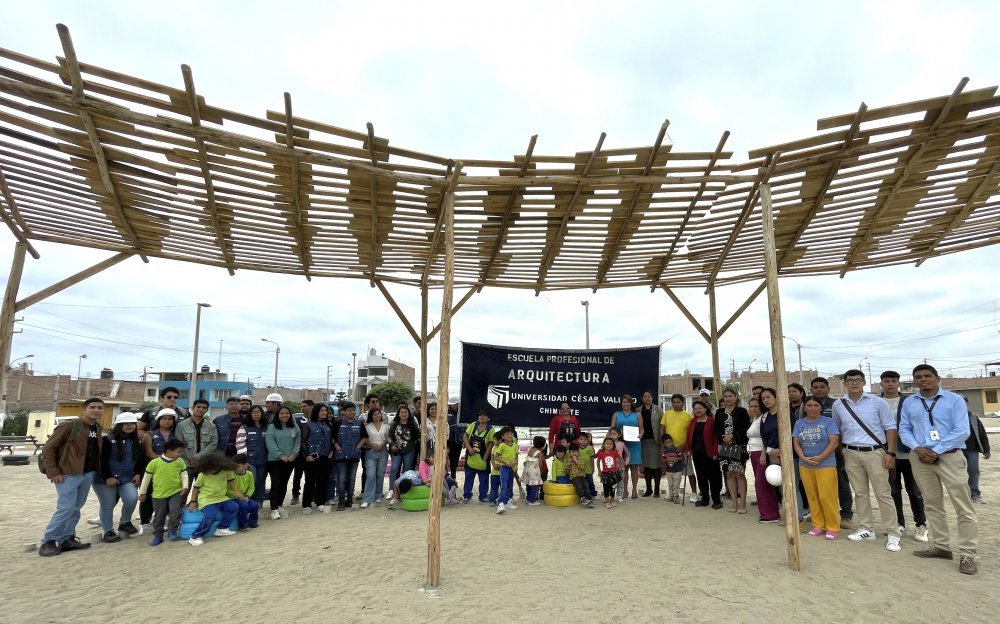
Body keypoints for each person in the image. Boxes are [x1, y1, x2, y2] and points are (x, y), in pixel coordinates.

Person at [900, 364, 979, 574]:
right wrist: (917, 448)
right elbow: (904, 429)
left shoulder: (955, 400)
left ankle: (968, 554)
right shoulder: (909, 402)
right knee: (933, 504)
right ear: (914, 380)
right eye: (918, 377)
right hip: (919, 458)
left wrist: (935, 450)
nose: (923, 380)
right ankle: (942, 546)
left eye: (927, 376)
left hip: (950, 457)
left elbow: (962, 431)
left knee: (963, 506)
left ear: (937, 378)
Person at [831, 369, 900, 552]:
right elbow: (837, 429)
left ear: (864, 382)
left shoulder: (878, 402)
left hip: (875, 452)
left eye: (858, 380)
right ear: (845, 383)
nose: (854, 383)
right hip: (851, 452)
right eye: (850, 380)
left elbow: (890, 427)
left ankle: (893, 533)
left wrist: (891, 453)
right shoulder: (839, 404)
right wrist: (842, 452)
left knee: (883, 493)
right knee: (860, 493)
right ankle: (866, 528)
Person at [38, 397, 105, 557]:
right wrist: (54, 472)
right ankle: (48, 540)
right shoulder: (70, 425)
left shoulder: (97, 427)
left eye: (100, 408)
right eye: (93, 407)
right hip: (68, 473)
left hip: (87, 473)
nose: (96, 410)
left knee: (75, 508)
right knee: (65, 508)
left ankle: (66, 538)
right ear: (84, 409)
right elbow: (49, 448)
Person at [880, 370, 928, 542]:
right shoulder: (876, 402)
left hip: (910, 452)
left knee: (914, 491)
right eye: (887, 381)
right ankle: (899, 524)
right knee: (893, 491)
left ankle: (921, 525)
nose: (890, 384)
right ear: (881, 384)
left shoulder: (910, 401)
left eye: (894, 380)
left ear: (898, 383)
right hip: (887, 453)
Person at [793, 397, 842, 540]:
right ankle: (818, 524)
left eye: (816, 405)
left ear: (820, 408)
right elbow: (796, 442)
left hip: (825, 464)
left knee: (826, 496)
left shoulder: (828, 422)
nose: (812, 408)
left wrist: (820, 457)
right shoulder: (799, 423)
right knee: (812, 496)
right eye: (809, 405)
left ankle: (832, 526)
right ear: (805, 408)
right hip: (805, 464)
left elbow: (833, 443)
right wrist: (802, 457)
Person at [94, 412, 145, 543]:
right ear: (119, 425)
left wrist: (138, 473)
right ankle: (108, 531)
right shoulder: (107, 440)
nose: (129, 426)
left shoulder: (135, 441)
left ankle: (124, 522)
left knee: (131, 498)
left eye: (132, 423)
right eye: (126, 423)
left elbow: (139, 460)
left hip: (127, 478)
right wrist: (108, 477)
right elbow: (101, 460)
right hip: (104, 480)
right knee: (108, 504)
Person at [760, 388, 806, 528]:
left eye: (768, 397)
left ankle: (798, 518)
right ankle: (788, 515)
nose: (766, 400)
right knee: (781, 488)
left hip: (789, 455)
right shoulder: (764, 417)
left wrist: (781, 451)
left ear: (776, 397)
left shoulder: (786, 414)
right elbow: (765, 439)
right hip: (772, 457)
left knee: (792, 487)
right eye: (763, 398)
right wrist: (766, 453)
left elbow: (792, 434)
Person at [811, 376, 854, 527]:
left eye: (822, 387)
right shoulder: (807, 405)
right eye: (815, 387)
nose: (818, 389)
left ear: (828, 389)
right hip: (814, 452)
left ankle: (846, 515)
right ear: (811, 390)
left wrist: (839, 449)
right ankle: (823, 513)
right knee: (820, 485)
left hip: (836, 451)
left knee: (841, 482)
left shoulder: (837, 405)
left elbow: (843, 427)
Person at [138, 438, 189, 546]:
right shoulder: (154, 463)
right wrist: (142, 493)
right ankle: (158, 535)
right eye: (179, 452)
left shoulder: (180, 462)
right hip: (158, 494)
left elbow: (184, 475)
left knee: (175, 511)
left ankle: (172, 531)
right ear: (169, 451)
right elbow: (146, 479)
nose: (181, 454)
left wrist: (185, 486)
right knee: (159, 515)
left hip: (176, 492)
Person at [185, 452, 241, 546]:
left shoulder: (227, 471)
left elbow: (231, 481)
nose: (208, 470)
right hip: (207, 499)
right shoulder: (203, 475)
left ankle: (222, 528)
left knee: (234, 507)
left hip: (222, 497)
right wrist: (193, 501)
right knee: (210, 516)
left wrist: (236, 491)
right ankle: (195, 536)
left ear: (218, 465)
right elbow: (195, 488)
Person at [137, 408, 176, 531]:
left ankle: (160, 520)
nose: (167, 421)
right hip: (153, 470)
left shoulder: (175, 436)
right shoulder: (149, 434)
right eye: (164, 419)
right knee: (148, 496)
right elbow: (149, 453)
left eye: (170, 419)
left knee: (166, 496)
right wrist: (166, 460)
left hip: (170, 471)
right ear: (158, 420)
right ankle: (144, 522)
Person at [715, 389, 750, 514]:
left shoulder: (742, 411)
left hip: (738, 446)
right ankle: (734, 502)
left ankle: (743, 502)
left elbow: (746, 428)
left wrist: (733, 436)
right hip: (724, 446)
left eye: (730, 396)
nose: (728, 398)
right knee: (729, 474)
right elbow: (717, 429)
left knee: (739, 474)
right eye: (725, 396)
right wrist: (723, 437)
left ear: (736, 397)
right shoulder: (719, 412)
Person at [264, 406, 300, 520]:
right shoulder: (272, 427)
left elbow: (297, 442)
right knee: (276, 483)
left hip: (290, 460)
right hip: (274, 460)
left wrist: (294, 455)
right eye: (282, 413)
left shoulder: (293, 427)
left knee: (284, 483)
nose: (284, 415)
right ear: (277, 415)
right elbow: (270, 443)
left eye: (287, 413)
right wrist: (281, 455)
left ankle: (279, 505)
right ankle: (273, 509)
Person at [660, 394, 697, 503]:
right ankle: (672, 493)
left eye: (678, 402)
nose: (676, 404)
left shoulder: (688, 415)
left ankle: (694, 492)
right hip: (669, 450)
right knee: (671, 472)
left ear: (683, 403)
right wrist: (663, 445)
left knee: (689, 471)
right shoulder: (667, 414)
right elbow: (662, 428)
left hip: (683, 449)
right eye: (674, 402)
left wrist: (685, 445)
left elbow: (691, 433)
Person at [332, 400, 368, 510]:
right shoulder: (337, 423)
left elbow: (364, 437)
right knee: (342, 479)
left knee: (352, 478)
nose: (352, 412)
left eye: (353, 410)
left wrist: (358, 448)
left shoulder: (359, 423)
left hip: (354, 455)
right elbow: (332, 438)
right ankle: (341, 502)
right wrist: (338, 448)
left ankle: (350, 500)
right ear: (344, 411)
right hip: (341, 456)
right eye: (349, 410)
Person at [748, 396, 779, 523]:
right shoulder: (755, 419)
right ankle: (768, 511)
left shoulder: (764, 419)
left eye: (756, 406)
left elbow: (764, 438)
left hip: (761, 453)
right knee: (761, 484)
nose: (754, 408)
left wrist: (763, 454)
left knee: (762, 484)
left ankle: (770, 514)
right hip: (753, 452)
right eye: (751, 406)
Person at [175, 398, 218, 487]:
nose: (201, 409)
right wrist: (190, 458)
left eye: (204, 407)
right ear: (192, 408)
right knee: (184, 491)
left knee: (203, 492)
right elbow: (179, 444)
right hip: (186, 464)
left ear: (207, 410)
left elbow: (213, 444)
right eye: (198, 407)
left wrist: (197, 457)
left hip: (204, 464)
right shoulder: (181, 425)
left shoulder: (211, 426)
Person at [687, 400, 722, 509]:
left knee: (713, 478)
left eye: (700, 408)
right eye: (696, 408)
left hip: (710, 454)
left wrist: (716, 452)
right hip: (697, 454)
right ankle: (705, 499)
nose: (698, 410)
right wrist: (688, 449)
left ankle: (717, 501)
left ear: (705, 409)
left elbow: (716, 438)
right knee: (701, 477)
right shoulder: (693, 421)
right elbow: (689, 436)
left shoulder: (712, 420)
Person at [301, 402, 334, 514]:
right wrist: (307, 455)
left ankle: (320, 503)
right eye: (322, 411)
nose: (324, 413)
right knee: (310, 481)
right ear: (316, 412)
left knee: (323, 480)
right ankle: (306, 504)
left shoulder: (328, 425)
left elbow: (331, 440)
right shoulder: (309, 424)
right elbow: (303, 442)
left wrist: (332, 451)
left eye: (326, 411)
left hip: (325, 457)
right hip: (312, 457)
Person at [235, 405, 269, 506]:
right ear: (250, 414)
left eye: (258, 412)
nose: (256, 414)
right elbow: (240, 445)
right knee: (252, 482)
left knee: (261, 482)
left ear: (262, 414)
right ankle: (250, 502)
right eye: (253, 412)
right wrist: (243, 462)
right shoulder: (244, 428)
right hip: (250, 462)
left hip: (263, 460)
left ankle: (259, 502)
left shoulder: (267, 427)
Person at [961, 395, 991, 504]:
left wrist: (986, 450)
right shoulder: (950, 417)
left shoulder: (973, 417)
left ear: (968, 404)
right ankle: (962, 495)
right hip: (955, 450)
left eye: (964, 402)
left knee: (973, 471)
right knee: (958, 473)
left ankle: (975, 494)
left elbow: (982, 433)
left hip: (972, 449)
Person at [611, 394, 641, 499]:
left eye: (628, 402)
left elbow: (642, 429)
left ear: (631, 403)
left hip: (634, 444)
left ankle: (634, 489)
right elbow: (612, 430)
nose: (626, 404)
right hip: (620, 444)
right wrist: (607, 441)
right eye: (624, 402)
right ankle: (625, 491)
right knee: (624, 468)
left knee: (634, 467)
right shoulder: (616, 414)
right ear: (621, 403)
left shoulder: (637, 414)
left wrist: (640, 434)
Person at [462, 409, 494, 503]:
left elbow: (491, 444)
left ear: (488, 418)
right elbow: (465, 436)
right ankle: (467, 496)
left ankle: (483, 496)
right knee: (468, 478)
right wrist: (469, 448)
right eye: (480, 415)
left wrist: (485, 458)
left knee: (483, 480)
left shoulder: (491, 429)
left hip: (482, 461)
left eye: (484, 415)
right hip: (470, 459)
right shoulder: (473, 425)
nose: (481, 417)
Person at [637, 391, 664, 497]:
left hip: (655, 442)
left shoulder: (658, 409)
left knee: (656, 466)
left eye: (649, 396)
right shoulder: (638, 410)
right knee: (646, 466)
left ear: (652, 398)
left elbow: (662, 425)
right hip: (643, 442)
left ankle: (657, 490)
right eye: (645, 397)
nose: (647, 398)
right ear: (642, 399)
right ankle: (649, 490)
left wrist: (663, 441)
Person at [362, 407, 391, 508]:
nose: (377, 416)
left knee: (380, 474)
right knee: (370, 474)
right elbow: (364, 438)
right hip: (371, 451)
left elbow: (388, 438)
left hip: (383, 451)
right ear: (371, 416)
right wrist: (372, 445)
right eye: (375, 414)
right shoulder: (367, 426)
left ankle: (378, 495)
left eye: (379, 414)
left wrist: (382, 445)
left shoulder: (386, 426)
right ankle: (367, 498)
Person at [388, 405, 419, 484]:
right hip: (396, 451)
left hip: (409, 451)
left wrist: (411, 445)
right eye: (402, 412)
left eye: (406, 412)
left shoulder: (413, 424)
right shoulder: (394, 424)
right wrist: (392, 445)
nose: (404, 414)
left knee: (406, 471)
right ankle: (392, 490)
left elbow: (416, 437)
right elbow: (390, 436)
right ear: (398, 414)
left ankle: (403, 491)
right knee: (394, 469)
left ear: (409, 413)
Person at [289, 398, 311, 506]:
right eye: (301, 406)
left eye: (304, 406)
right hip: (299, 451)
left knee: (310, 475)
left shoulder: (316, 418)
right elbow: (292, 432)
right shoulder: (296, 418)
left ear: (311, 407)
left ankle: (311, 495)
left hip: (311, 452)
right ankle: (295, 494)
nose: (302, 408)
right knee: (298, 474)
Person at [493, 427, 518, 514]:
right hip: (504, 468)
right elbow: (496, 456)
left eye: (510, 434)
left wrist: (514, 463)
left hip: (512, 468)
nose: (509, 436)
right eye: (506, 434)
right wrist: (505, 461)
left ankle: (507, 501)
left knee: (510, 485)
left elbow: (516, 458)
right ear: (503, 437)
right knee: (504, 485)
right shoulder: (502, 445)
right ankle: (500, 503)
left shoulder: (515, 445)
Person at [231, 453, 259, 530]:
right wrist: (234, 494)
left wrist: (247, 496)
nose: (236, 468)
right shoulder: (231, 474)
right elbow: (227, 489)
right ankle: (243, 525)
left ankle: (253, 522)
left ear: (245, 465)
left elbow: (251, 487)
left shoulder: (249, 474)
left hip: (244, 496)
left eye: (238, 466)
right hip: (233, 497)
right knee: (243, 506)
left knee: (255, 505)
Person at [596, 437, 623, 509]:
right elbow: (598, 461)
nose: (609, 445)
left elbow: (620, 458)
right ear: (604, 444)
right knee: (606, 488)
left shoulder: (614, 452)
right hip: (605, 473)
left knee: (613, 488)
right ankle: (607, 501)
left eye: (611, 444)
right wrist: (599, 471)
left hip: (614, 473)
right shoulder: (601, 453)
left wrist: (620, 467)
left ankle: (612, 500)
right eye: (607, 443)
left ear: (613, 445)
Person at [565, 444, 594, 508]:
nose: (574, 453)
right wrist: (568, 465)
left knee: (586, 485)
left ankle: (589, 500)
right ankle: (583, 498)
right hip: (574, 477)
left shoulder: (580, 458)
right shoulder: (568, 460)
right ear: (569, 452)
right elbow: (566, 471)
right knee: (579, 486)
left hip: (581, 476)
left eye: (576, 452)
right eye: (572, 452)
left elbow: (582, 467)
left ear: (578, 452)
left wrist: (576, 461)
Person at [660, 434, 684, 503]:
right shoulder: (664, 452)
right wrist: (666, 460)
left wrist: (677, 459)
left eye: (670, 442)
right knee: (670, 484)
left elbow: (682, 457)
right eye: (667, 443)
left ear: (672, 441)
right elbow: (662, 459)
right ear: (664, 444)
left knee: (676, 485)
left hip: (677, 471)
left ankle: (676, 497)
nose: (669, 444)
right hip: (669, 471)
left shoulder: (677, 450)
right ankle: (671, 495)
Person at [522, 436, 545, 505]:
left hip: (527, 469)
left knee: (528, 484)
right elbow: (540, 464)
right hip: (534, 471)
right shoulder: (539, 453)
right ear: (542, 445)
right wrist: (542, 471)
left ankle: (528, 498)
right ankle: (532, 500)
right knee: (534, 485)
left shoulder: (530, 449)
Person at [577, 432, 597, 498]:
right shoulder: (577, 449)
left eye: (585, 439)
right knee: (583, 483)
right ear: (578, 440)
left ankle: (593, 493)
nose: (583, 441)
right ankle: (586, 495)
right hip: (580, 470)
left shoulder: (589, 448)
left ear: (588, 440)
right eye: (581, 439)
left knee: (590, 482)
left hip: (588, 469)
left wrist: (593, 468)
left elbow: (592, 458)